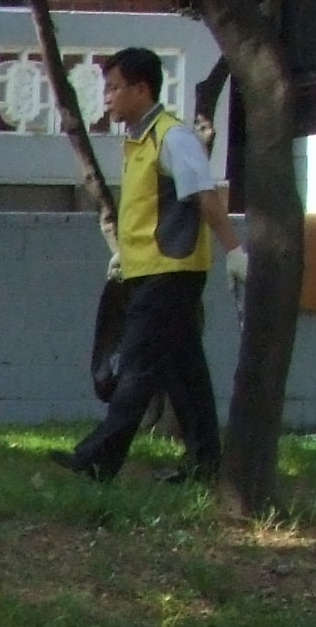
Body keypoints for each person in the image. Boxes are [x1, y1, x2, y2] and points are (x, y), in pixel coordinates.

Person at [57, 45, 242, 484]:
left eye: (116, 88)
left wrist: (235, 250)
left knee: (137, 368)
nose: (108, 97)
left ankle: (98, 459)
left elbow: (204, 195)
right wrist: (126, 256)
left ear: (142, 89)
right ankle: (205, 463)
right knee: (184, 373)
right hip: (149, 272)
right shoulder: (140, 139)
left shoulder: (171, 137)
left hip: (169, 273)